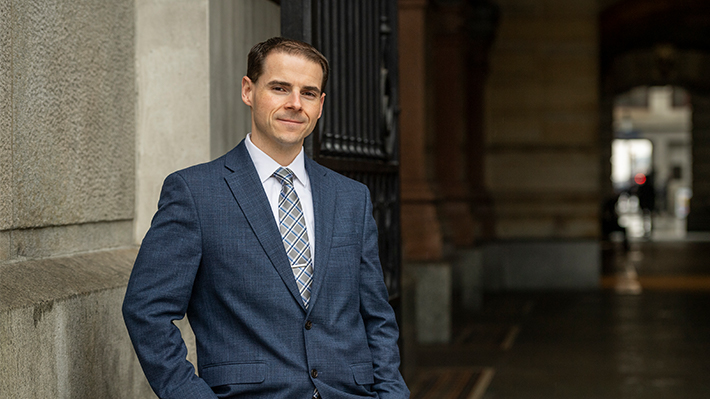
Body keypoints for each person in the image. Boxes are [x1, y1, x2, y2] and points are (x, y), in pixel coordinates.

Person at [122, 37, 409, 399]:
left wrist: (391, 394)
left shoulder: (351, 197)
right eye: (279, 88)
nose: (294, 104)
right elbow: (146, 310)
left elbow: (377, 317)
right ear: (248, 90)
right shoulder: (195, 193)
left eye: (308, 93)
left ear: (320, 106)